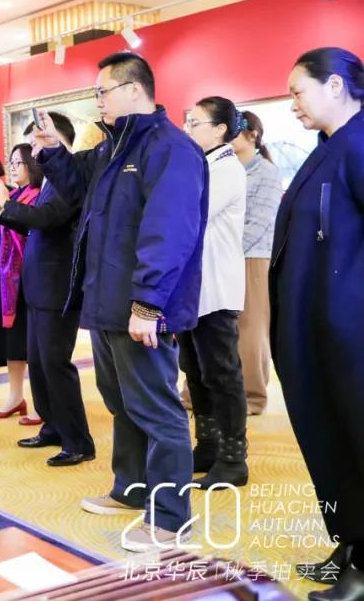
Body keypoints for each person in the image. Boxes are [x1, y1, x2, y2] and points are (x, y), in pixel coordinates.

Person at [33, 51, 207, 552]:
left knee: (157, 410)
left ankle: (171, 519)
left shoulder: (170, 148)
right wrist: (53, 151)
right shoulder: (113, 147)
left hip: (141, 307)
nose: (98, 101)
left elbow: (169, 231)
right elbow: (76, 188)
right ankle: (131, 489)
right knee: (123, 403)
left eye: (102, 92)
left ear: (134, 89)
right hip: (107, 301)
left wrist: (148, 304)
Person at [270, 47, 364, 600]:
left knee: (355, 436)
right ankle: (350, 543)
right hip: (318, 328)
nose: (293, 104)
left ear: (335, 85)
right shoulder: (329, 147)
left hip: (349, 332)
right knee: (330, 437)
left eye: (297, 92)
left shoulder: (359, 144)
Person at [0, 113, 96, 467]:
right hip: (39, 283)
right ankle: (52, 426)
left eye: (36, 143)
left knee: (55, 363)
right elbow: (35, 224)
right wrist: (2, 212)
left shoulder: (70, 178)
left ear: (58, 139)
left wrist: (6, 207)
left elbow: (48, 219)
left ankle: (78, 441)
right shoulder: (51, 179)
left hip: (57, 285)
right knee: (38, 362)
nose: (32, 152)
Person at [180, 97, 249, 490]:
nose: (187, 129)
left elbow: (192, 214)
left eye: (195, 122)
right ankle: (207, 445)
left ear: (220, 129)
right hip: (195, 288)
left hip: (217, 287)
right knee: (195, 371)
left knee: (222, 374)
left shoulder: (226, 169)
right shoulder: (204, 165)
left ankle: (233, 457)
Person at [0, 147, 40, 424]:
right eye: (11, 162)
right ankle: (15, 396)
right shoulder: (15, 196)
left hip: (27, 281)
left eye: (19, 162)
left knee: (33, 345)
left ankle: (42, 403)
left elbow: (27, 235)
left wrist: (3, 206)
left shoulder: (37, 196)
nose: (13, 167)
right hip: (6, 281)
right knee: (13, 343)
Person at [232, 111, 282, 415]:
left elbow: (260, 223)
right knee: (215, 329)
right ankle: (201, 394)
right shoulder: (224, 168)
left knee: (251, 331)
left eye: (236, 130)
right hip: (222, 258)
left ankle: (253, 397)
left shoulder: (267, 172)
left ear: (253, 135)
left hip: (253, 257)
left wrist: (228, 252)